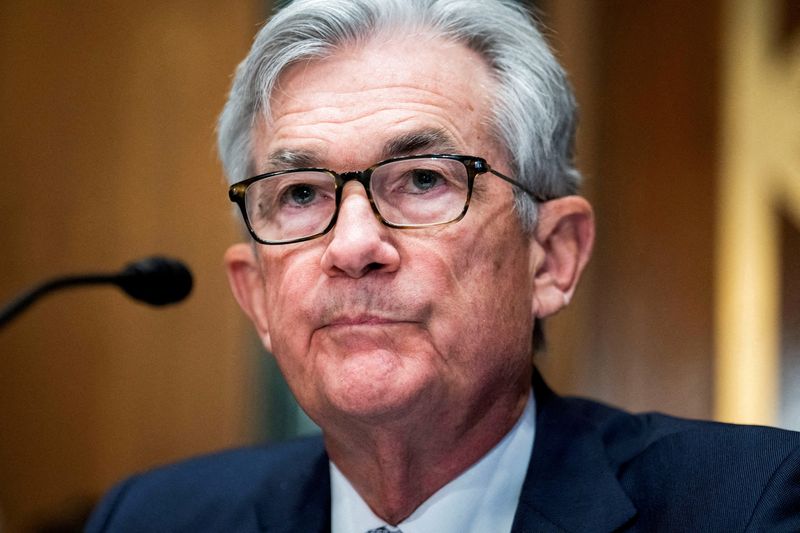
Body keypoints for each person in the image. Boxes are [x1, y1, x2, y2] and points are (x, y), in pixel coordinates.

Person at [86, 0, 800, 531]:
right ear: (255, 297)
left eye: (424, 179)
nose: (353, 245)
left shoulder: (747, 504)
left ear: (551, 257)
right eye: (300, 193)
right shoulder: (154, 517)